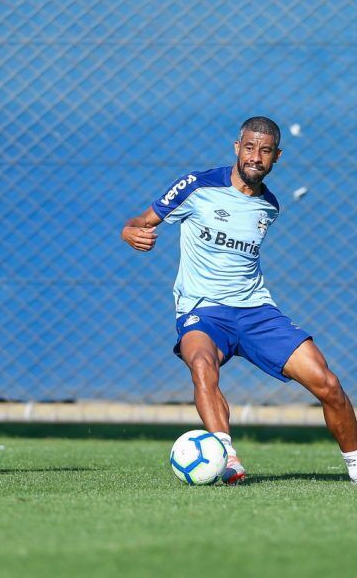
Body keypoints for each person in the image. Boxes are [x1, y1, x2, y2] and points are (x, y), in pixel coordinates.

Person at [121, 116, 357, 484]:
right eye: (249, 148)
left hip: (256, 312)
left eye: (265, 151)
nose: (255, 157)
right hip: (203, 311)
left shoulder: (269, 207)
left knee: (327, 383)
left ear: (277, 156)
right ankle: (226, 457)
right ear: (237, 148)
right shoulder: (196, 186)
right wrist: (129, 231)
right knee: (201, 364)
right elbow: (141, 220)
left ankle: (355, 465)